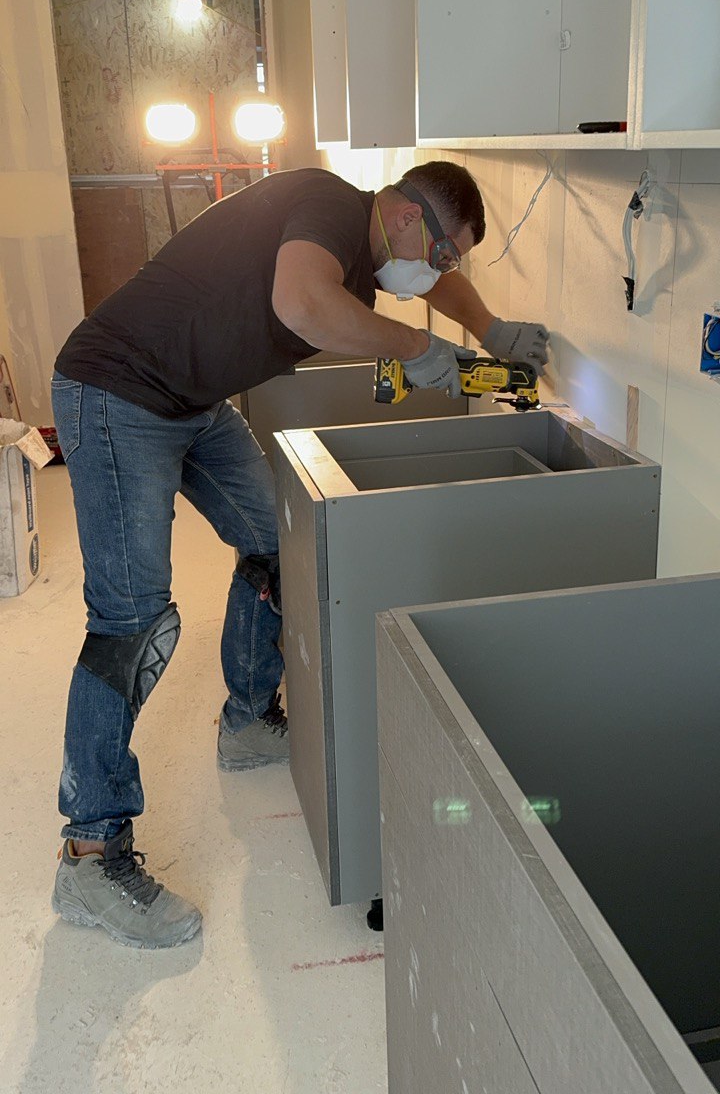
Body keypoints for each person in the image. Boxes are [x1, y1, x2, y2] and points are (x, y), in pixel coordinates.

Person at [50, 161, 549, 948]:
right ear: (408, 215)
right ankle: (89, 852)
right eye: (445, 252)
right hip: (117, 391)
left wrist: (488, 331)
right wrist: (418, 348)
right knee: (133, 622)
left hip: (191, 399)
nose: (440, 271)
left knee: (278, 542)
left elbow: (431, 289)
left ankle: (247, 720)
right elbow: (302, 304)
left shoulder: (377, 244)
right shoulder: (326, 203)